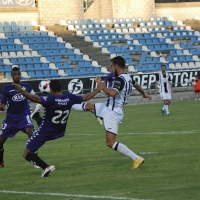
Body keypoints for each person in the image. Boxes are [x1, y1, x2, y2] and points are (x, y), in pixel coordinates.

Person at [72, 56, 152, 169]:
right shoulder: (128, 77)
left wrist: (102, 88)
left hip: (112, 113)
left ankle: (136, 158)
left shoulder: (120, 79)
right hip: (108, 107)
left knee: (110, 143)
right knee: (88, 106)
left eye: (112, 67)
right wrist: (144, 94)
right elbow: (137, 85)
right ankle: (66, 103)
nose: (111, 69)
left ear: (117, 66)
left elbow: (113, 93)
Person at [14, 78, 104, 178]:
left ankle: (46, 167)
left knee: (26, 153)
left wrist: (22, 91)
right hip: (59, 131)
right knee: (33, 146)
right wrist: (98, 89)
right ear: (61, 88)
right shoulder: (69, 97)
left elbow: (35, 99)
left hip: (45, 131)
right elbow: (86, 97)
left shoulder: (51, 99)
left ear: (51, 90)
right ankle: (41, 162)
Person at [0, 67, 37, 168]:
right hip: (11, 119)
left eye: (18, 74)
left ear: (20, 75)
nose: (17, 76)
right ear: (12, 76)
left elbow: (35, 97)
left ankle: (35, 160)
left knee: (31, 132)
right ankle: (1, 161)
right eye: (15, 74)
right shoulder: (6, 88)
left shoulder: (27, 86)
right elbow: (2, 104)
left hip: (24, 116)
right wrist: (2, 106)